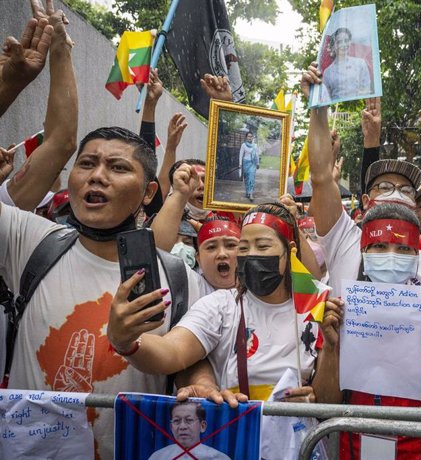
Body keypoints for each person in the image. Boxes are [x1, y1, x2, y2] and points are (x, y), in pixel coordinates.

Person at [1, 127, 210, 459]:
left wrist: (201, 385)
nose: (97, 176)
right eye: (86, 163)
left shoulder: (180, 278)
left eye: (118, 167)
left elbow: (192, 359)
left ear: (148, 192)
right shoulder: (29, 239)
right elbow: (61, 133)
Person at [107, 202, 319, 405]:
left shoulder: (317, 304)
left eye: (262, 246)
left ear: (289, 251)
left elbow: (333, 395)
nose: (252, 254)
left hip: (302, 440)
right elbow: (171, 351)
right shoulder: (221, 305)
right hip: (240, 437)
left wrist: (315, 400)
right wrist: (127, 341)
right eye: (243, 247)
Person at [312, 202, 421, 459]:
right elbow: (326, 403)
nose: (391, 256)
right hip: (353, 449)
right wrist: (332, 347)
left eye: (403, 248)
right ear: (364, 253)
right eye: (380, 246)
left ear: (416, 256)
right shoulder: (339, 312)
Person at [300, 64, 421, 297]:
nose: (395, 194)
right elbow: (321, 178)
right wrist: (319, 107)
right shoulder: (344, 240)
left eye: (406, 190)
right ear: (368, 200)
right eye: (386, 187)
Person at [148, 401, 231, 460]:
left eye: (189, 420)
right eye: (177, 421)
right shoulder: (157, 457)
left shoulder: (220, 458)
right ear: (171, 427)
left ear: (202, 426)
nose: (182, 427)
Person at [322, 27, 372, 102]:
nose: (343, 44)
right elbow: (326, 98)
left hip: (359, 107)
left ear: (350, 42)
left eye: (346, 41)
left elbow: (366, 89)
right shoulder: (328, 72)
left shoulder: (360, 63)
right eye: (339, 42)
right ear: (334, 45)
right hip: (337, 111)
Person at [238, 132, 259, 201]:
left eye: (251, 136)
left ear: (253, 137)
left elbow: (256, 155)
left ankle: (251, 194)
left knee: (251, 178)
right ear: (246, 137)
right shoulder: (243, 145)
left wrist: (258, 163)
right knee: (246, 179)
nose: (250, 138)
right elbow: (241, 155)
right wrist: (240, 164)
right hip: (245, 163)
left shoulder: (255, 145)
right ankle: (247, 192)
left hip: (253, 163)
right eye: (248, 136)